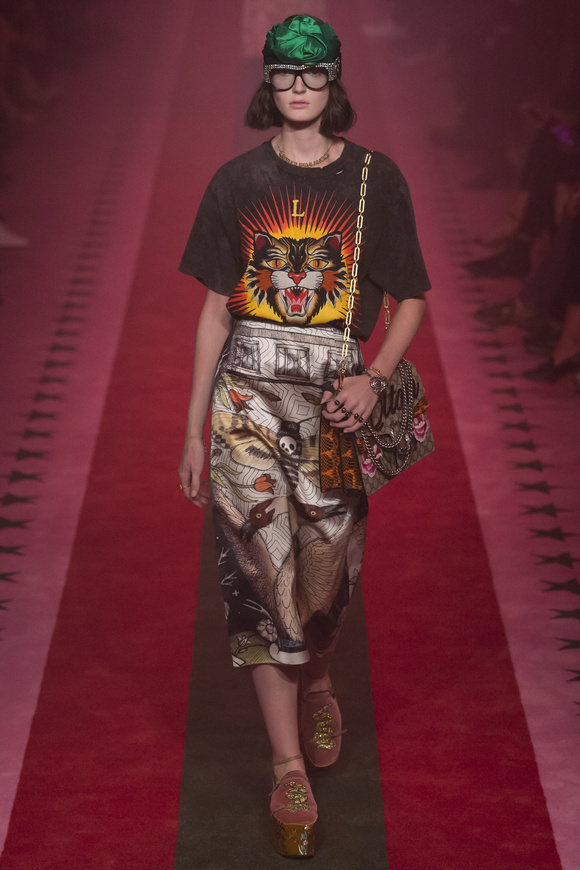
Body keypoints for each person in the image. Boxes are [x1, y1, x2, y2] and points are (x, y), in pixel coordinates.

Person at [178, 14, 430, 858]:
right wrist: (192, 429)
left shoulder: (375, 179)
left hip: (333, 407)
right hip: (244, 402)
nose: (298, 86)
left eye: (313, 72)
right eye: (285, 72)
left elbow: (412, 296)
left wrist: (376, 376)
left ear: (334, 79)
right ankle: (286, 764)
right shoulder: (234, 181)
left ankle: (319, 673)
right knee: (258, 577)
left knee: (323, 584)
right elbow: (214, 313)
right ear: (268, 80)